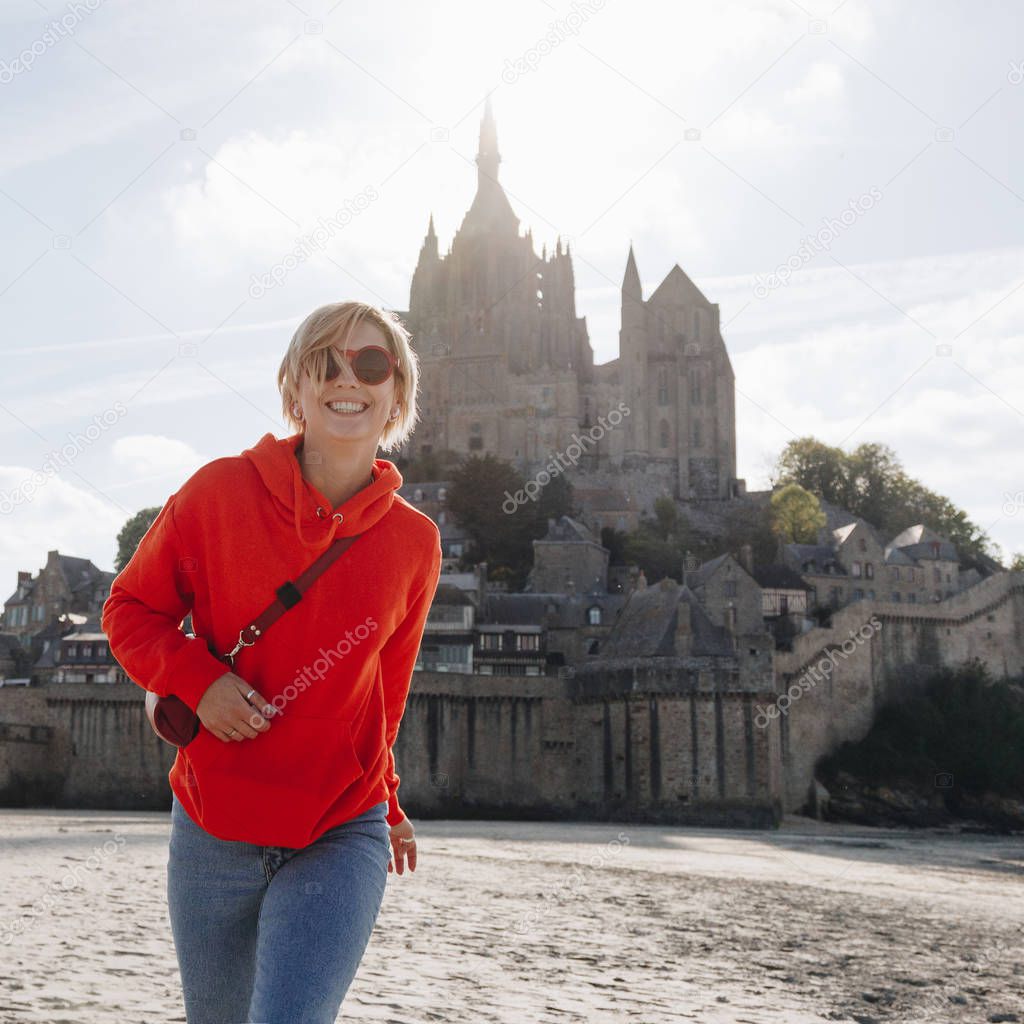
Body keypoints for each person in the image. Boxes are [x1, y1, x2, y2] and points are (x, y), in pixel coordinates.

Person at [101, 301, 442, 1023]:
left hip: (343, 826)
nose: (347, 378)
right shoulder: (215, 493)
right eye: (325, 363)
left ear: (397, 396)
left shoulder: (415, 542)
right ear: (295, 391)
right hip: (215, 824)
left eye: (371, 365)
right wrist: (201, 682)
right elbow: (128, 610)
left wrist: (390, 800)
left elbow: (386, 687)